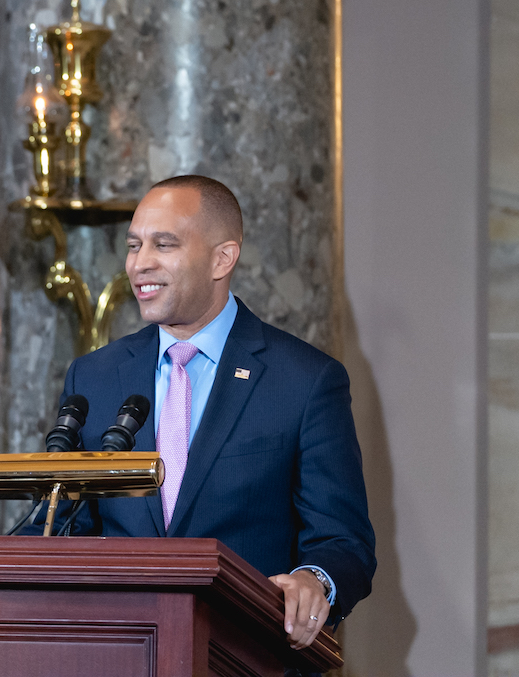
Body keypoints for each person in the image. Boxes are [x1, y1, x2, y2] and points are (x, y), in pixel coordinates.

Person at [34, 175, 375, 653]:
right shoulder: (94, 377)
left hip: (246, 653)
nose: (139, 264)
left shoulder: (305, 380)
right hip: (119, 652)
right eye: (134, 245)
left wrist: (313, 581)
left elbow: (344, 541)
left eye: (164, 244)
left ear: (223, 258)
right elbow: (63, 524)